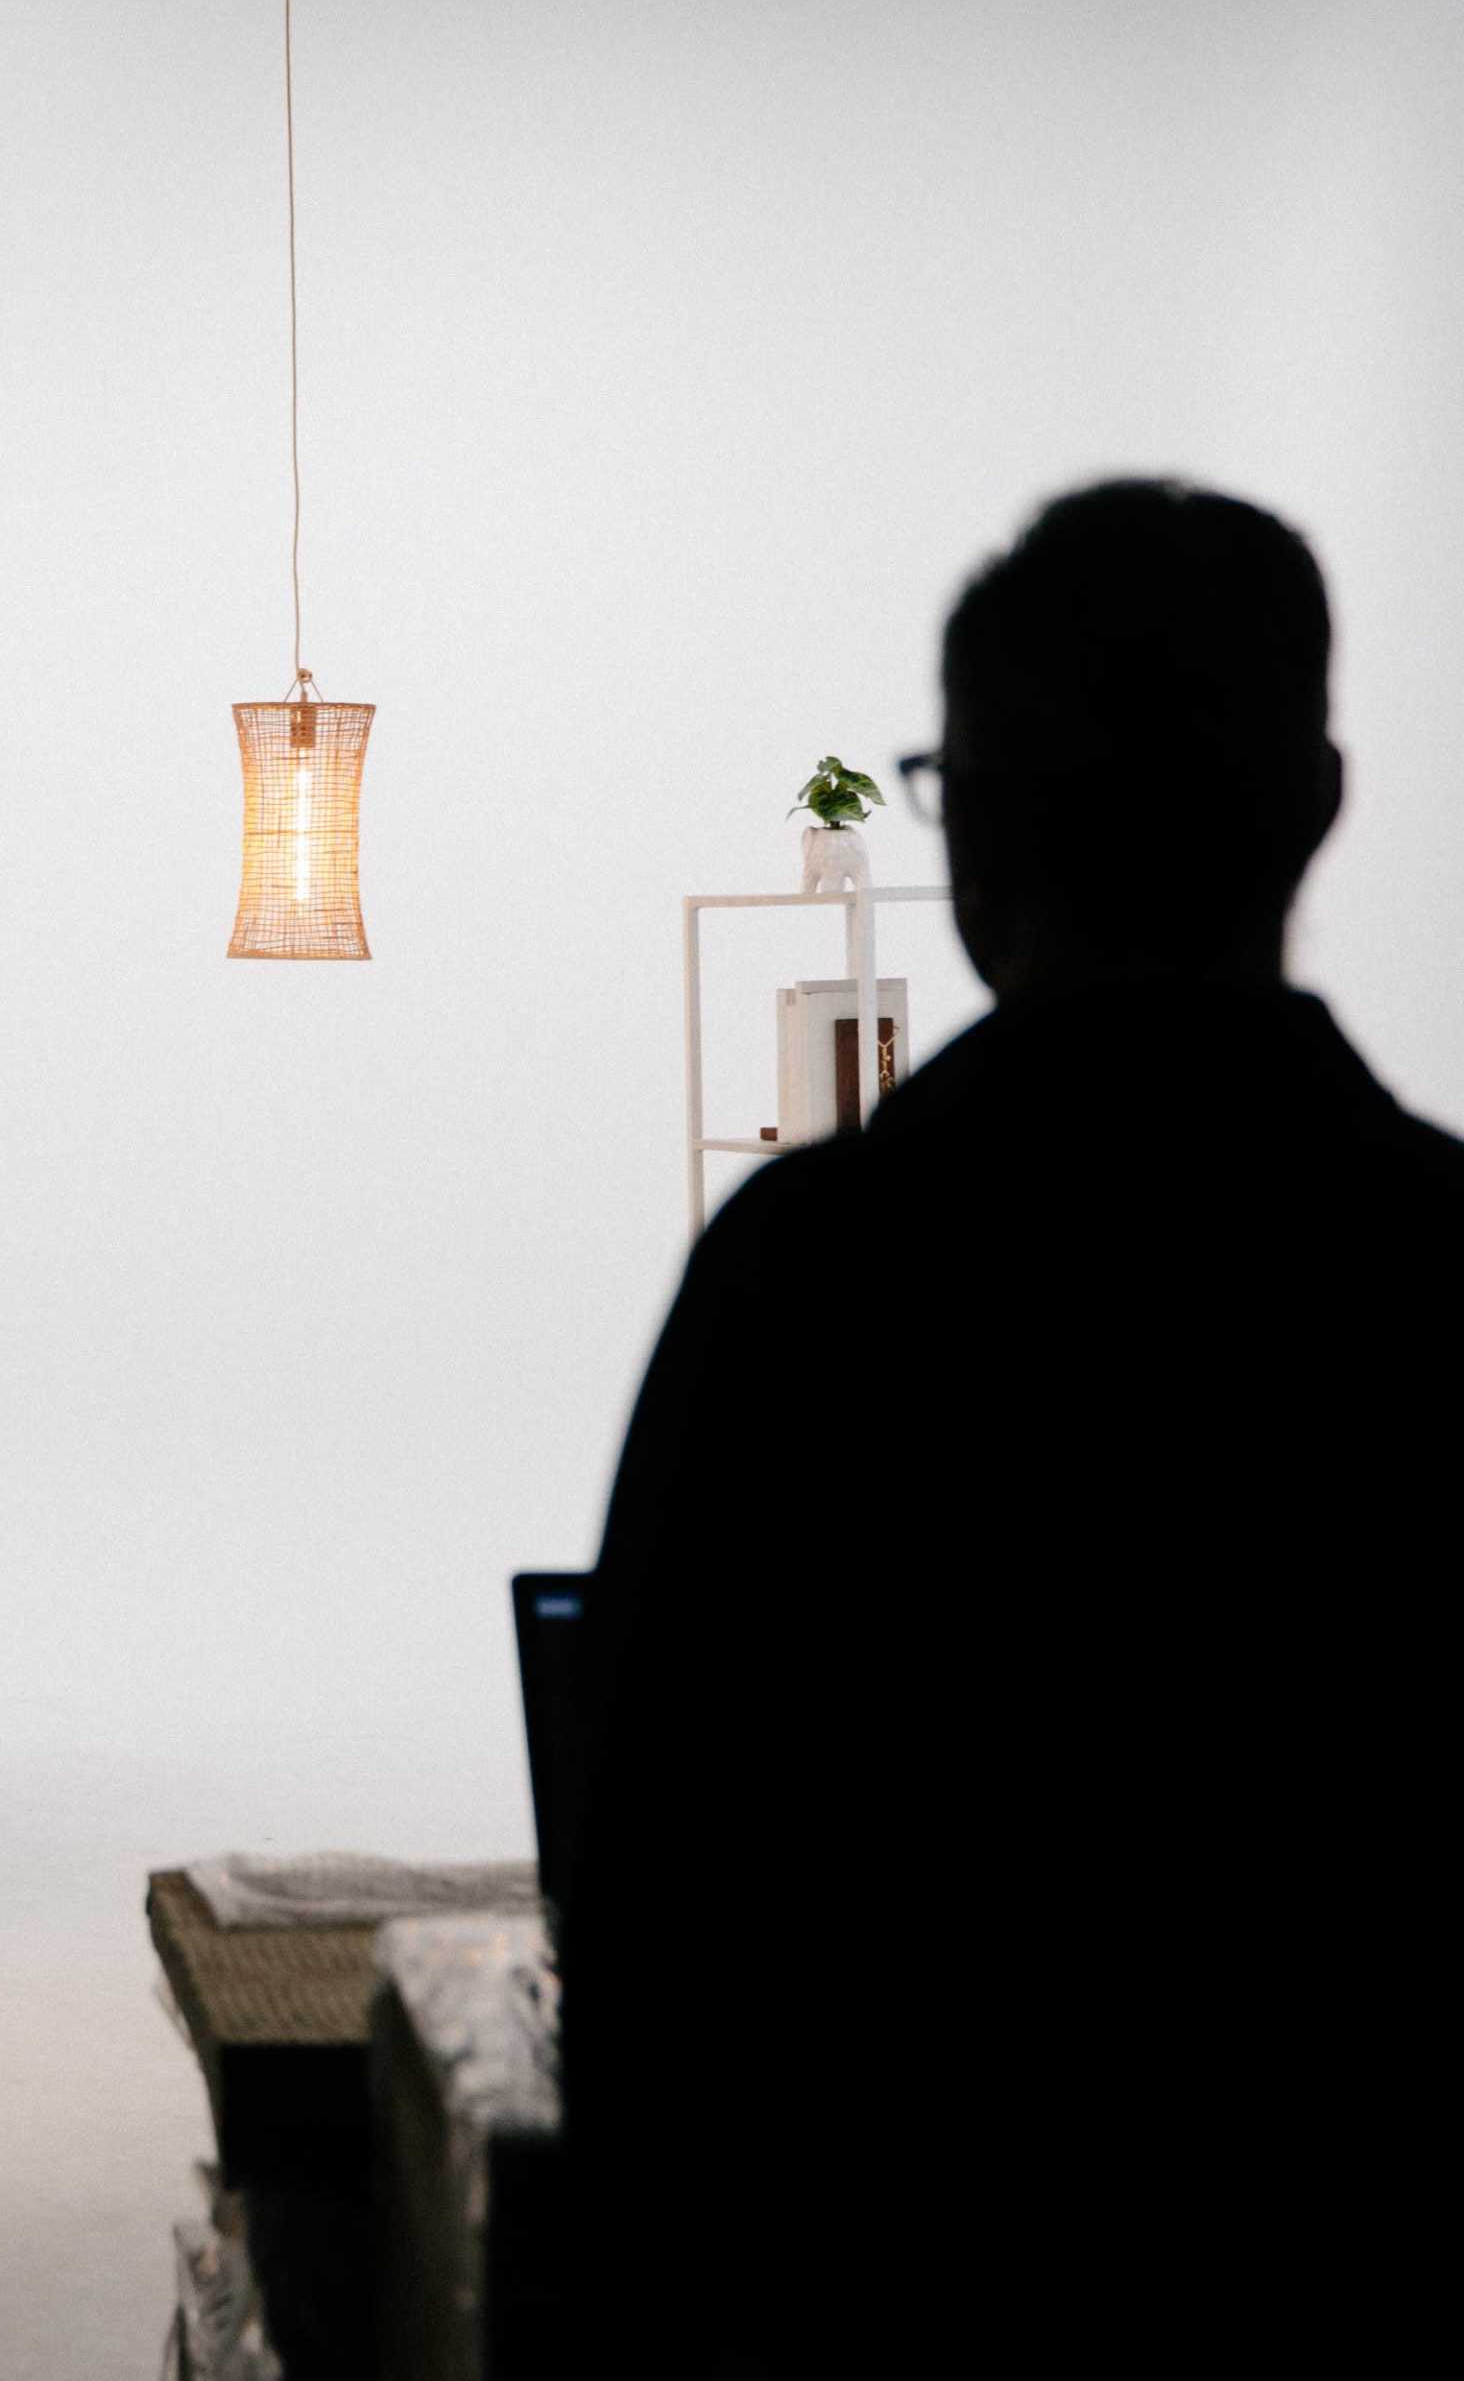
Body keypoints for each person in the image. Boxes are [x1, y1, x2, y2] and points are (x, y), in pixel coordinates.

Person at [559, 482, 1462, 2374]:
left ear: (976, 826)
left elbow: (649, 1917)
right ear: (1316, 802)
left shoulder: (812, 1282)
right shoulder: (1450, 1271)